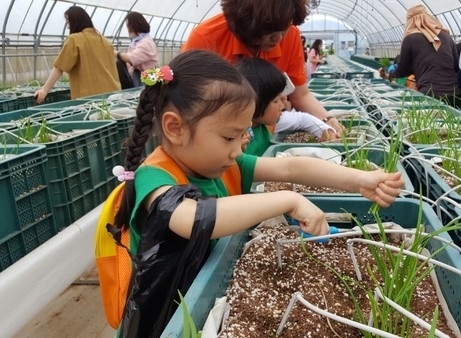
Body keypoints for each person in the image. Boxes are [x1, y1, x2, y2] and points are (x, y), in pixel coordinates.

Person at [114, 49, 404, 336]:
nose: (239, 147)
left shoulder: (222, 163)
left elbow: (290, 168)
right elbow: (191, 217)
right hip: (162, 320)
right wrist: (288, 200)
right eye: (229, 136)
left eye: (244, 134)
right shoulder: (154, 177)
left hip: (202, 302)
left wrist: (359, 180)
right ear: (175, 128)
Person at [180, 0, 343, 134]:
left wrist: (328, 120)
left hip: (264, 131)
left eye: (284, 29)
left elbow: (300, 95)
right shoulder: (206, 39)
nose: (278, 38)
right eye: (270, 32)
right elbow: (190, 106)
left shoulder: (291, 35)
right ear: (247, 24)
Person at [235, 57, 337, 156]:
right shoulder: (238, 138)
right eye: (275, 100)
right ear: (254, 104)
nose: (284, 102)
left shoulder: (267, 123)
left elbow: (302, 119)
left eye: (282, 96)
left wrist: (327, 130)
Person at [34, 6, 120, 103]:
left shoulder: (74, 40)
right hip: (113, 96)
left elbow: (59, 67)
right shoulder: (105, 41)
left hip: (90, 100)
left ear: (75, 21)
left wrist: (44, 89)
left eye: (68, 22)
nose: (68, 27)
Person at [387, 5, 461, 107]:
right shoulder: (446, 36)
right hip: (454, 93)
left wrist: (391, 73)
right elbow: (456, 66)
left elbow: (402, 70)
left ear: (410, 22)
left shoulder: (410, 38)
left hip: (429, 94)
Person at [115, 11, 159, 87]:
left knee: (143, 96)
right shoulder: (138, 41)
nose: (128, 30)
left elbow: (132, 58)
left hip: (146, 79)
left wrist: (115, 53)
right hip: (140, 77)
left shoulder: (146, 43)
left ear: (135, 26)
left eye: (129, 26)